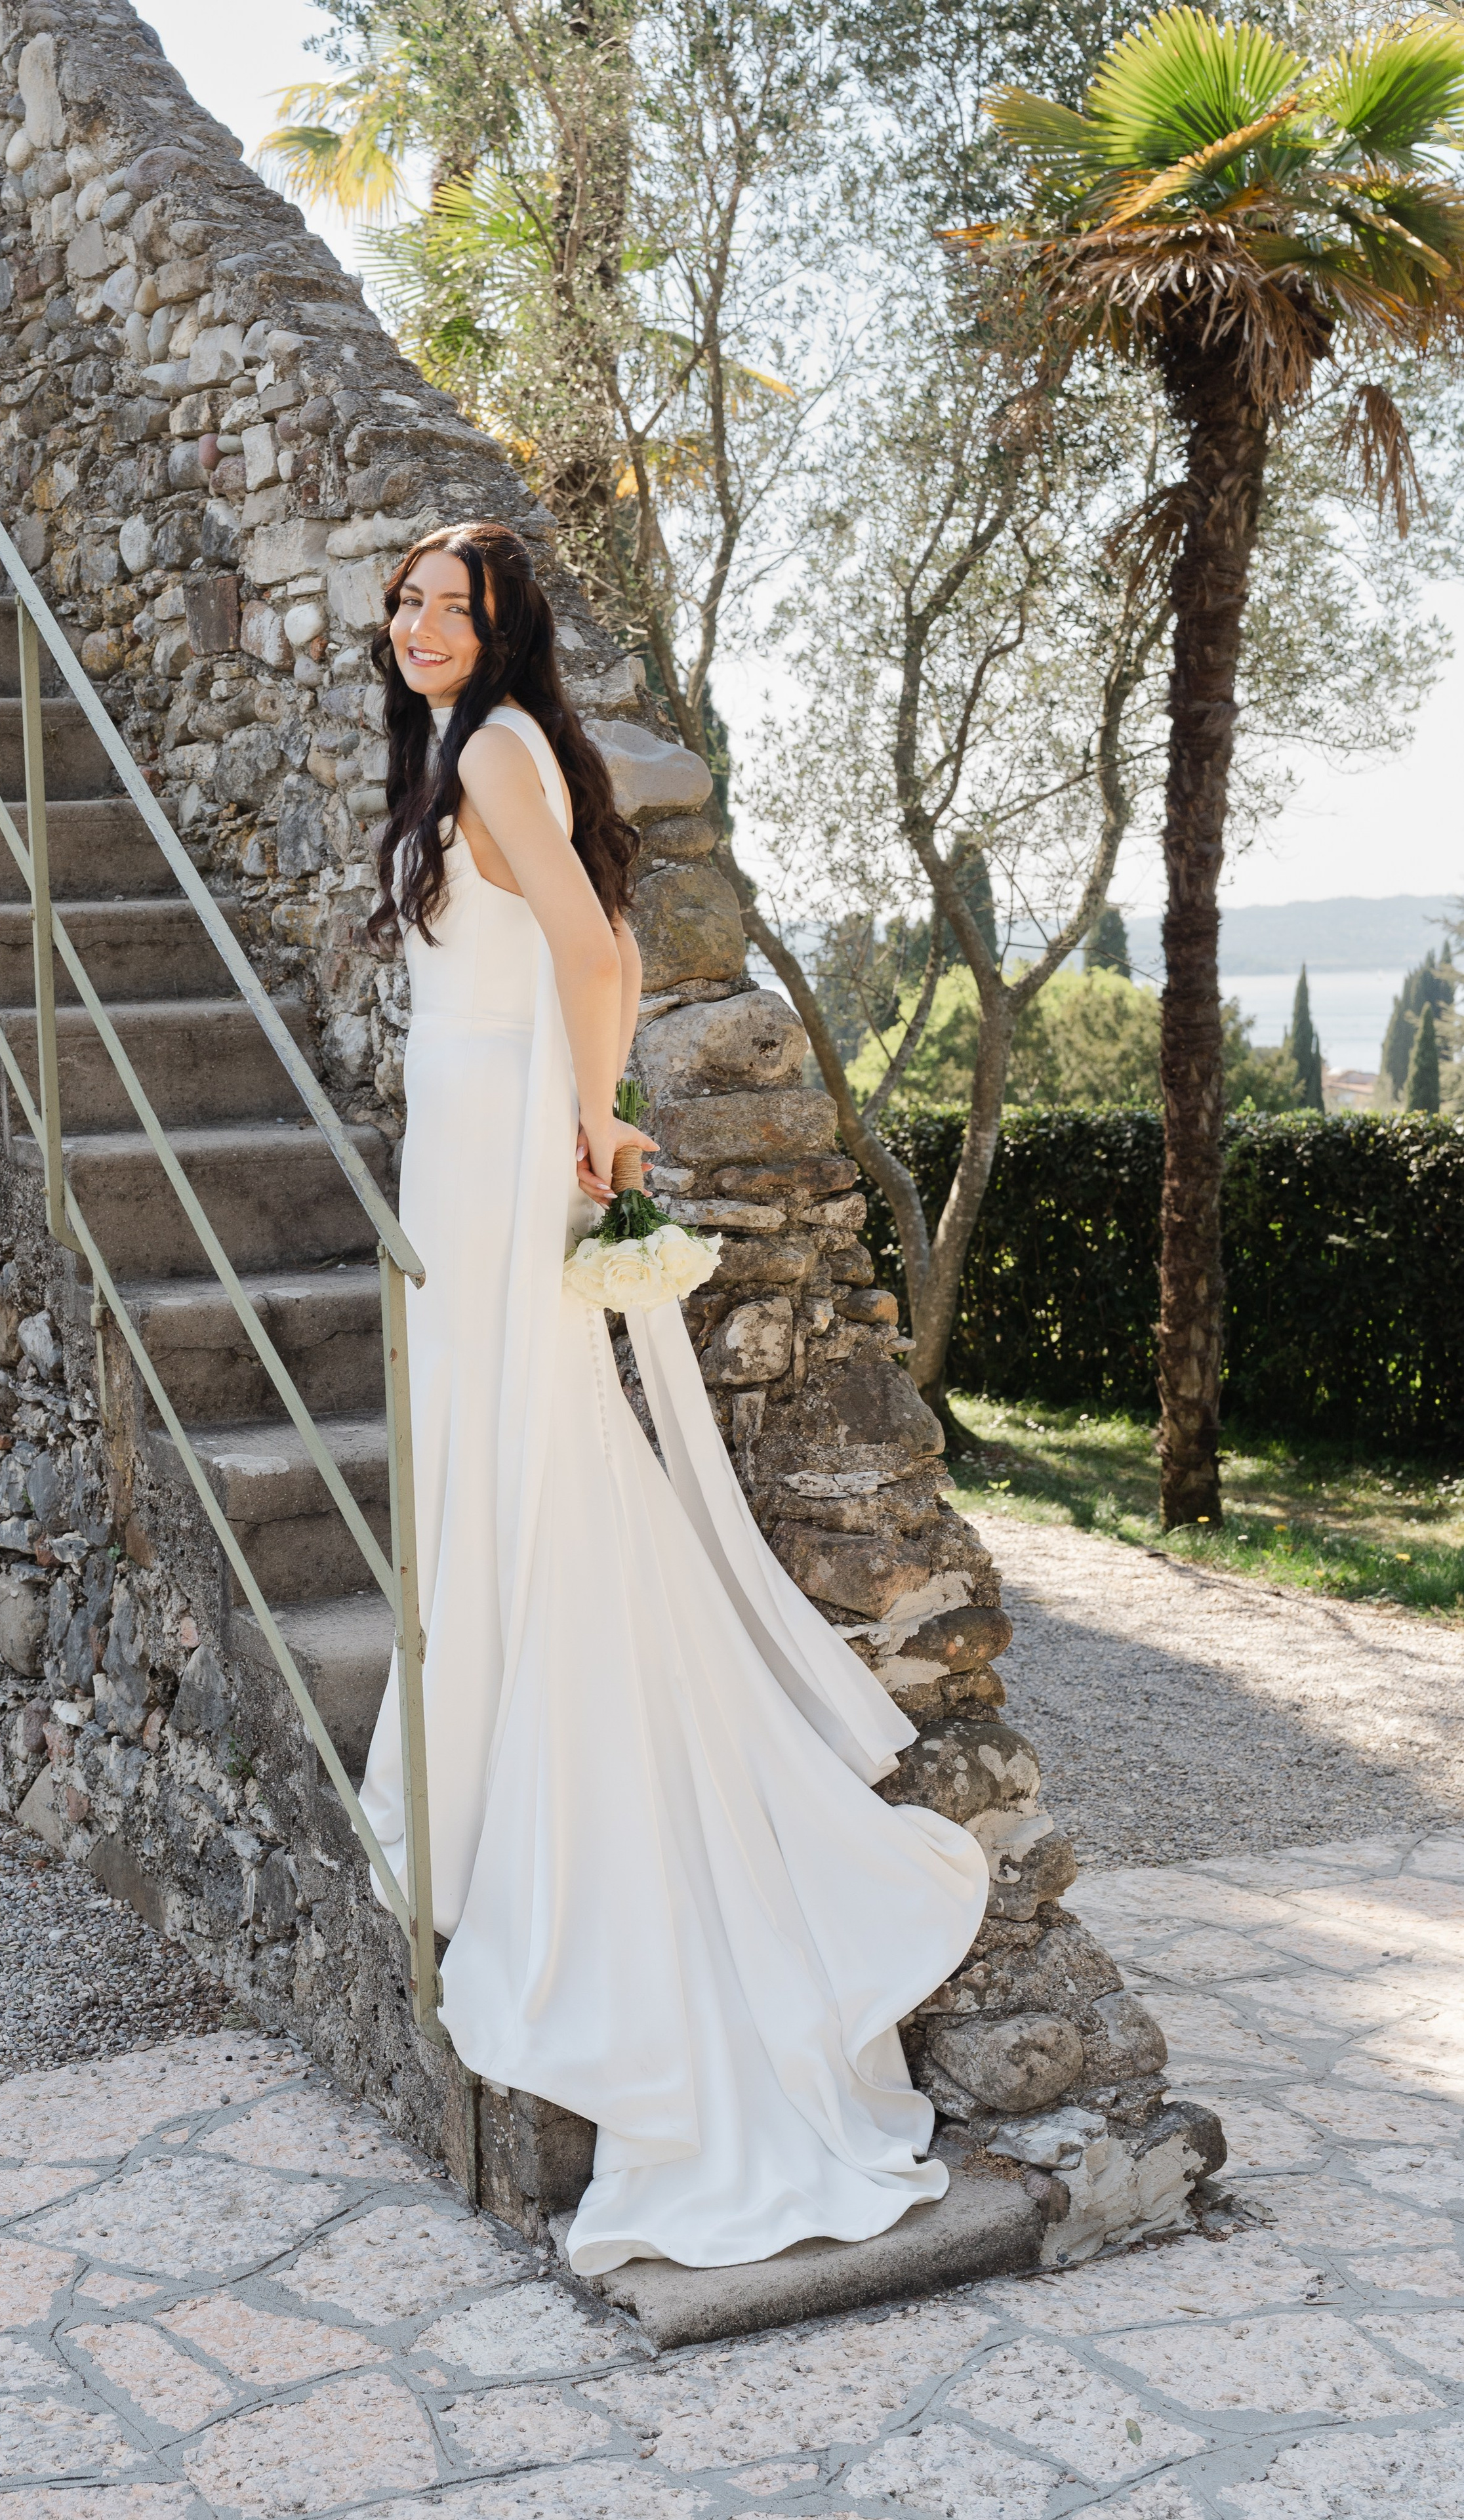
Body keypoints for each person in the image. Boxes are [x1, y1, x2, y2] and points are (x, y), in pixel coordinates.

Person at [358, 520, 988, 2277]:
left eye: (452, 605)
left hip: (489, 1144)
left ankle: (519, 1785)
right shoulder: (479, 742)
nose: (418, 625)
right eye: (406, 600)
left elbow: (586, 942)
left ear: (503, 629)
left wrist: (588, 1119)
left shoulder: (489, 746)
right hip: (479, 1131)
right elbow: (610, 939)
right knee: (516, 1453)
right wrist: (601, 1105)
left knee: (520, 1458)